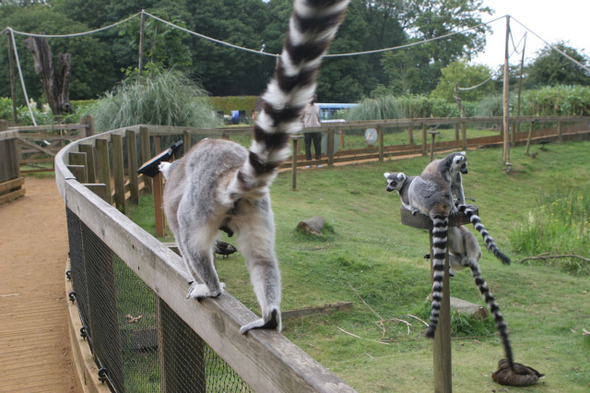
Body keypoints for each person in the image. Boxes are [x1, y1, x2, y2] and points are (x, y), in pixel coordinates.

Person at [301, 94, 322, 168]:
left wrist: (320, 125)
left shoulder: (317, 107)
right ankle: (308, 162)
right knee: (307, 146)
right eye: (314, 97)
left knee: (318, 146)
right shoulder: (304, 108)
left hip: (316, 128)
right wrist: (303, 126)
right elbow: (301, 118)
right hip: (308, 129)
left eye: (316, 97)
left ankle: (318, 162)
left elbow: (318, 117)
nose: (315, 98)